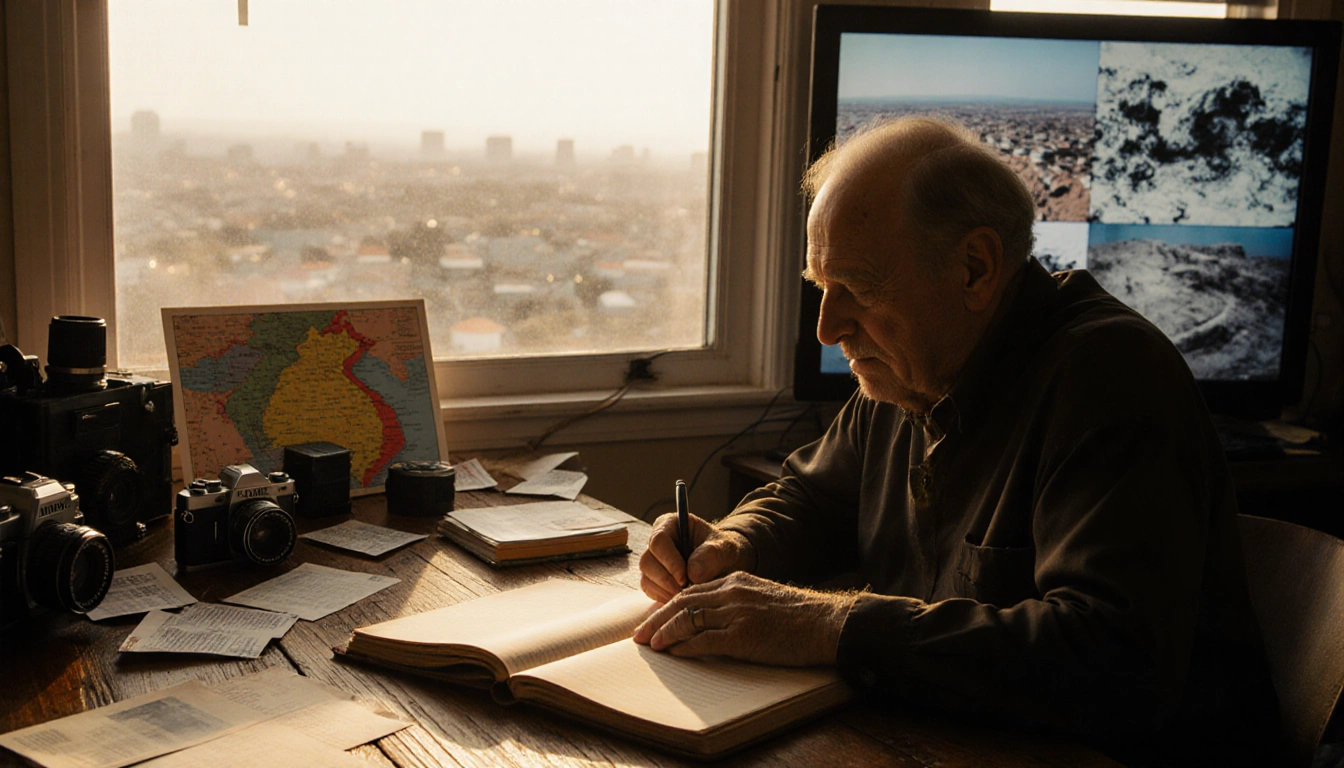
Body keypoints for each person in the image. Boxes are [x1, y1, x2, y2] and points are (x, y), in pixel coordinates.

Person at [633, 116, 1281, 766]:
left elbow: (1111, 661)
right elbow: (811, 498)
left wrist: (827, 625)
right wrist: (733, 543)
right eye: (821, 288)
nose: (828, 328)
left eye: (859, 288)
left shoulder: (1111, 378)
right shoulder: (908, 372)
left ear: (975, 268)